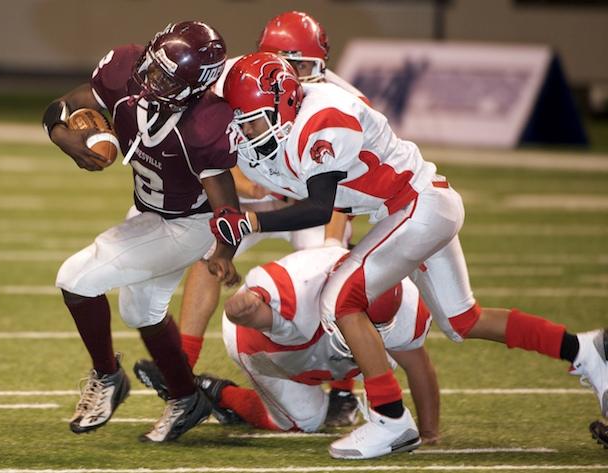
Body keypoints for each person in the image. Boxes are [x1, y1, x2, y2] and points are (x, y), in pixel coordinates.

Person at [207, 51, 608, 459]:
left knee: (339, 299)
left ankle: (390, 420)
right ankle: (584, 350)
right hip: (416, 204)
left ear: (285, 102)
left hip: (417, 205)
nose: (248, 131)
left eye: (253, 120)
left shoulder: (323, 116)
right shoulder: (279, 124)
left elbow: (319, 207)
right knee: (463, 320)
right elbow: (237, 172)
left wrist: (251, 222)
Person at [134, 11, 372, 428]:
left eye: (304, 67)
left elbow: (343, 192)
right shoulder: (229, 81)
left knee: (330, 271)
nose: (294, 76)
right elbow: (197, 147)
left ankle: (343, 392)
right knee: (211, 249)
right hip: (261, 199)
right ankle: (182, 377)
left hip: (315, 202)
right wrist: (240, 181)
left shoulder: (342, 102)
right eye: (288, 63)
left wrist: (332, 250)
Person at [43, 21, 242, 443]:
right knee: (142, 312)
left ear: (195, 86)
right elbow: (61, 107)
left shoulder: (205, 125)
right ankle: (187, 399)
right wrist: (66, 138)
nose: (150, 79)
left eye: (166, 78)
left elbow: (226, 203)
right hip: (147, 210)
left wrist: (224, 252)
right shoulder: (125, 69)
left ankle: (107, 376)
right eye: (152, 67)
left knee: (77, 278)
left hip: (187, 225)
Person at [136, 246, 440, 444]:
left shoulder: (405, 306)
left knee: (389, 358)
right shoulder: (299, 287)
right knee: (304, 422)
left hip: (322, 341)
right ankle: (213, 390)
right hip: (268, 348)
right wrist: (247, 307)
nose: (362, 329)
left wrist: (429, 433)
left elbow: (420, 368)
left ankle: (342, 394)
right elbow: (246, 312)